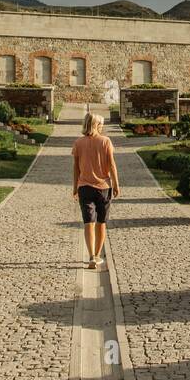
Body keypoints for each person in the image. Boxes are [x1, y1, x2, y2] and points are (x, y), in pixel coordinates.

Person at [71, 111, 120, 269]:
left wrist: (75, 187)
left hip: (84, 187)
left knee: (88, 222)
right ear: (96, 125)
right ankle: (97, 256)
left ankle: (91, 256)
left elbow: (76, 168)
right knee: (101, 222)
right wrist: (116, 185)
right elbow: (111, 165)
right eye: (101, 124)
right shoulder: (105, 141)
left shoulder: (78, 143)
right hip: (103, 188)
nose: (102, 127)